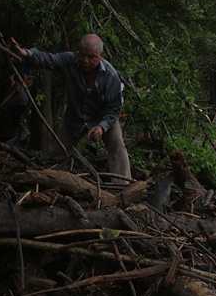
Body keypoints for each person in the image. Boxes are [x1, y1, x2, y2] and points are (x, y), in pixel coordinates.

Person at [10, 33, 131, 184]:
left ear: (101, 56)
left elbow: (115, 108)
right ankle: (46, 183)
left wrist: (101, 126)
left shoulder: (110, 75)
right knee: (56, 153)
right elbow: (49, 59)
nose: (85, 61)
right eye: (83, 55)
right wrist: (27, 53)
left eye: (91, 57)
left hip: (103, 117)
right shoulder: (69, 61)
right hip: (76, 118)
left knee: (117, 146)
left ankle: (123, 188)